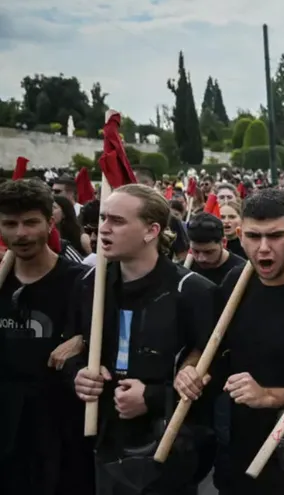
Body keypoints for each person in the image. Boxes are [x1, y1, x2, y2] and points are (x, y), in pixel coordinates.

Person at [175, 188, 284, 495]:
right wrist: (189, 370)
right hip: (238, 454)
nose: (263, 248)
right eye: (254, 237)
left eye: (275, 236)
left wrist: (269, 395)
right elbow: (207, 349)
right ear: (240, 235)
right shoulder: (234, 283)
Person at [66, 184, 216, 495]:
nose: (103, 230)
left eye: (117, 221)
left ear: (151, 231)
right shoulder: (89, 283)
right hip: (105, 440)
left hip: (168, 447)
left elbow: (215, 374)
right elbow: (72, 347)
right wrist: (78, 375)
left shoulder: (192, 291)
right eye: (103, 219)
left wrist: (152, 397)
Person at [0, 179, 93, 495]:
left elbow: (107, 337)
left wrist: (83, 340)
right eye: (10, 224)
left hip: (60, 430)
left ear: (50, 223)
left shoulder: (80, 282)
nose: (20, 233)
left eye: (30, 222)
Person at [186, 213, 246, 285]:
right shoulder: (185, 267)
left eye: (208, 252)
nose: (201, 259)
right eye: (196, 251)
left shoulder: (242, 272)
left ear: (223, 242)